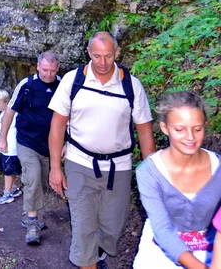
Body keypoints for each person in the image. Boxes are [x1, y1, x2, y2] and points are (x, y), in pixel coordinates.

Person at [48, 31, 156, 269]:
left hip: (119, 167)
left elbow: (145, 132)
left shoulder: (131, 85)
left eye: (108, 56)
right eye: (97, 56)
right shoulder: (73, 80)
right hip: (79, 162)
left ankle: (99, 252)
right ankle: (89, 258)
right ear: (89, 53)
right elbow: (57, 125)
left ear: (117, 53)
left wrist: (154, 176)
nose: (102, 62)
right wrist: (55, 167)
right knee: (83, 227)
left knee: (113, 226)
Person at [133, 91, 220, 269]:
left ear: (205, 125)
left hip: (212, 247)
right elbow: (163, 229)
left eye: (197, 129)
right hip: (161, 246)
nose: (190, 137)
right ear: (165, 128)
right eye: (179, 129)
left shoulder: (218, 167)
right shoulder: (149, 172)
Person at [0, 51, 61, 245]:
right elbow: (10, 111)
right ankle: (32, 222)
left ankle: (31, 214)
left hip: (50, 145)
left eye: (52, 70)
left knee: (39, 182)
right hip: (26, 141)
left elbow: (71, 115)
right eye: (45, 70)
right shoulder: (27, 85)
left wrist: (66, 142)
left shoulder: (63, 85)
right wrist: (2, 137)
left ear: (57, 68)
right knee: (32, 177)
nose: (48, 74)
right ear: (37, 66)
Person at [0, 89, 22, 206]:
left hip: (11, 147)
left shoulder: (13, 114)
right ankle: (14, 188)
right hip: (6, 147)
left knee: (8, 172)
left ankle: (7, 193)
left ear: (6, 102)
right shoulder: (3, 113)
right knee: (9, 169)